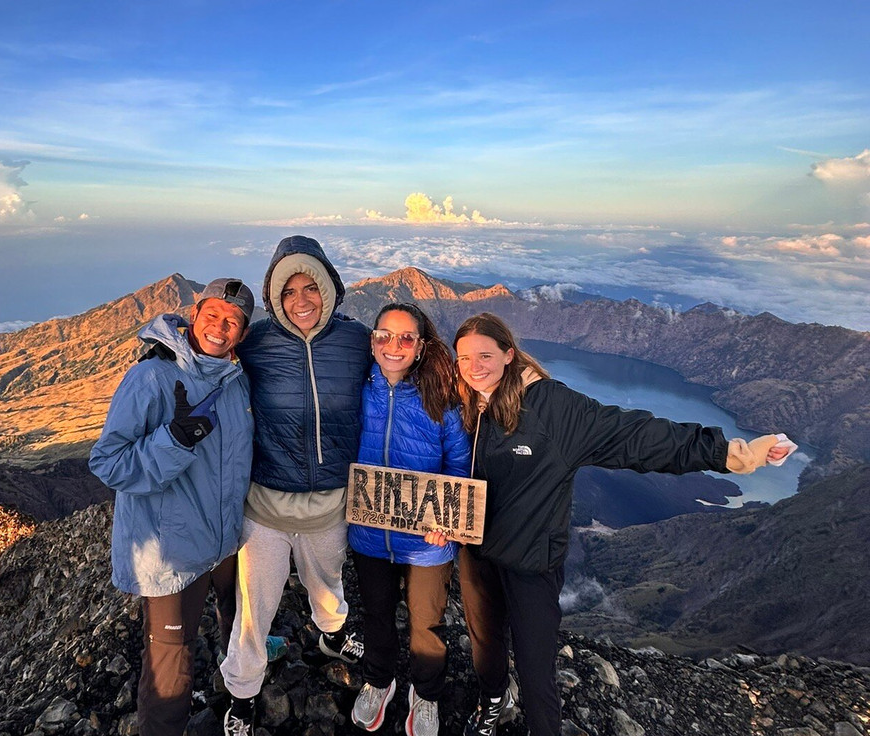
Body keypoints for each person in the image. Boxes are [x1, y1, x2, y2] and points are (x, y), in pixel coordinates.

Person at [428, 312, 794, 736]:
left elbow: (634, 436)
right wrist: (440, 518)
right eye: (464, 358)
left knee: (534, 666)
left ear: (509, 354)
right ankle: (495, 700)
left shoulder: (552, 408)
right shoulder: (465, 404)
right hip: (477, 554)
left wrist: (733, 454)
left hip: (531, 561)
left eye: (485, 355)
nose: (474, 367)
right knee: (485, 645)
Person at [88, 277, 256, 736]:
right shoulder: (151, 377)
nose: (220, 327)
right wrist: (174, 441)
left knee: (237, 618)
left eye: (233, 321)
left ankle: (237, 688)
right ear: (193, 314)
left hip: (221, 541)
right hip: (169, 553)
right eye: (212, 315)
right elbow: (108, 463)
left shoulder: (235, 380)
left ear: (243, 334)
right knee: (171, 665)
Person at [220, 235, 371, 735]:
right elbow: (206, 355)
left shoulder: (356, 341)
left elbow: (406, 368)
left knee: (328, 584)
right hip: (265, 506)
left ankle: (332, 635)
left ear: (328, 289)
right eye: (288, 291)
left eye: (310, 287)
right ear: (274, 296)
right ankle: (242, 693)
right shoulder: (255, 342)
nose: (300, 300)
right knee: (253, 610)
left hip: (330, 502)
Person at [347, 303, 472, 736]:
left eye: (406, 338)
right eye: (384, 335)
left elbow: (459, 464)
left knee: (427, 624)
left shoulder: (440, 396)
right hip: (369, 535)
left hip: (427, 542)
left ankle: (426, 694)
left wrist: (448, 522)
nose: (393, 346)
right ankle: (379, 680)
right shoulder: (357, 389)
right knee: (377, 614)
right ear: (372, 341)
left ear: (420, 347)